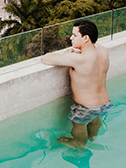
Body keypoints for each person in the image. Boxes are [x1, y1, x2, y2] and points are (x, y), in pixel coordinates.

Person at [40, 20, 110, 149]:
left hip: (86, 107)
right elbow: (92, 51)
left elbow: (45, 58)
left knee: (79, 124)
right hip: (104, 103)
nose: (71, 38)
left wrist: (66, 54)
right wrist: (78, 50)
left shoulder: (80, 59)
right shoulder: (103, 51)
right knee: (95, 119)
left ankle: (79, 144)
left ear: (85, 38)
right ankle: (92, 137)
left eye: (75, 35)